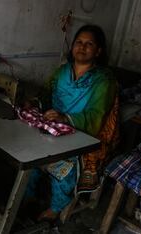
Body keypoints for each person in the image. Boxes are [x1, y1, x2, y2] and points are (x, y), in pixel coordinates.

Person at [24, 24, 119, 220]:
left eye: (89, 44)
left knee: (63, 165)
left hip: (83, 135)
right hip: (55, 128)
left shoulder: (103, 80)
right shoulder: (62, 72)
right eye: (79, 42)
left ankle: (56, 207)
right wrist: (33, 102)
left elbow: (97, 116)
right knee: (28, 153)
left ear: (98, 51)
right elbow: (45, 94)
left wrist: (66, 118)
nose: (82, 47)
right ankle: (27, 196)